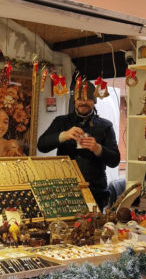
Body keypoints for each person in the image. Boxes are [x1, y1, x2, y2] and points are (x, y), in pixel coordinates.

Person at [37, 81, 120, 209]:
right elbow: (41, 145)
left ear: (94, 101)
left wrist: (98, 149)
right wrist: (63, 135)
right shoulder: (61, 122)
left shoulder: (105, 126)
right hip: (65, 190)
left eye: (88, 99)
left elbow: (115, 160)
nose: (83, 102)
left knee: (95, 228)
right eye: (79, 98)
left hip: (96, 192)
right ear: (74, 101)